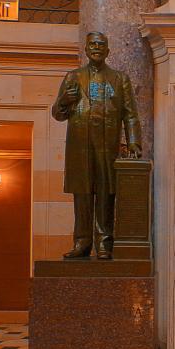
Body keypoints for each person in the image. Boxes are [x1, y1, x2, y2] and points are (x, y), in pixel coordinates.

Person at [51, 32, 141, 259]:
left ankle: (104, 243)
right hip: (79, 147)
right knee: (82, 194)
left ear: (108, 51)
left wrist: (134, 142)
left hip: (107, 146)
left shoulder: (120, 79)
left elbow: (130, 114)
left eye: (101, 45)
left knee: (105, 193)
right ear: (86, 49)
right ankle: (82, 242)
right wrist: (64, 101)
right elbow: (57, 114)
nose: (97, 48)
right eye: (92, 44)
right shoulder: (73, 77)